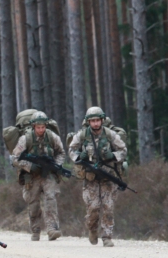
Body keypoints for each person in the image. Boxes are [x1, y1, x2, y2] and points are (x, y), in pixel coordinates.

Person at [68, 106, 127, 247]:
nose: (95, 123)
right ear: (88, 122)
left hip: (108, 177)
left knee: (108, 207)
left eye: (97, 120)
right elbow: (71, 149)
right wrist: (78, 157)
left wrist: (113, 156)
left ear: (102, 120)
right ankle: (92, 229)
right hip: (90, 179)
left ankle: (107, 237)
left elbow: (123, 150)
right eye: (92, 121)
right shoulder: (82, 135)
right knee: (93, 207)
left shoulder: (110, 135)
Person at [10, 111, 65, 241]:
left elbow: (61, 153)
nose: (41, 130)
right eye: (38, 127)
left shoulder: (52, 137)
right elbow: (15, 158)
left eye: (43, 127)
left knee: (50, 200)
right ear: (33, 126)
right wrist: (29, 166)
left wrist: (55, 165)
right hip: (32, 176)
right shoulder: (25, 139)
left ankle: (52, 229)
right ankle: (35, 230)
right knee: (33, 204)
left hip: (48, 175)